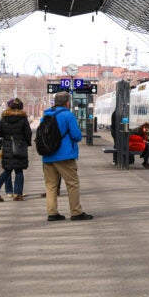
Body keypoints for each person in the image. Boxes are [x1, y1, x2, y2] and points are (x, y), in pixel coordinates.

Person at [41, 91, 93, 221]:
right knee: (72, 183)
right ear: (67, 103)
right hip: (64, 155)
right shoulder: (68, 115)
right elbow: (76, 136)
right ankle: (76, 212)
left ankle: (52, 213)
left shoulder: (45, 115)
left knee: (51, 185)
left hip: (47, 155)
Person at [0, 98, 32, 202]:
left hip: (7, 148)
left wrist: (7, 136)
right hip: (20, 148)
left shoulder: (4, 119)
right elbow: (28, 134)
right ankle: (18, 194)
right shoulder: (23, 119)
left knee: (7, 170)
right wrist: (27, 142)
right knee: (19, 170)